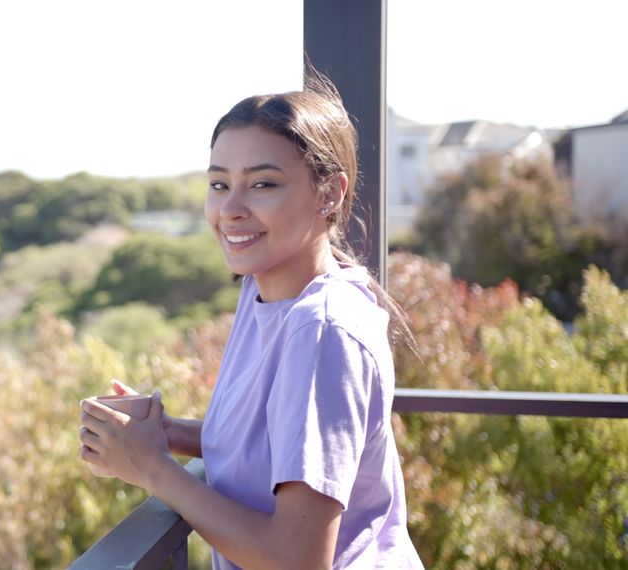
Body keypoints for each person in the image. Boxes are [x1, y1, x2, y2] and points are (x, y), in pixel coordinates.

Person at [78, 72, 425, 569]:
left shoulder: (321, 330)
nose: (231, 209)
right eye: (220, 184)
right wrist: (165, 432)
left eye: (262, 183)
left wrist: (152, 470)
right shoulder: (264, 289)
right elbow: (281, 446)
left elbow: (297, 560)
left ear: (329, 194)